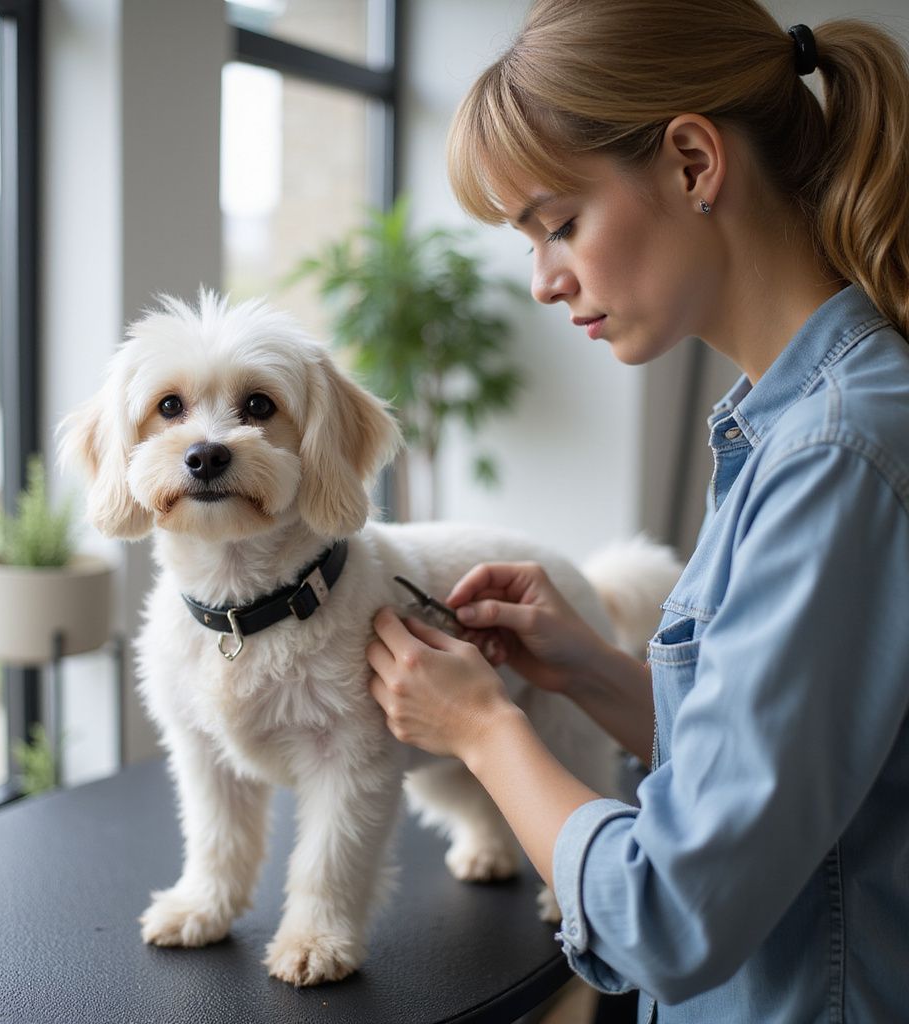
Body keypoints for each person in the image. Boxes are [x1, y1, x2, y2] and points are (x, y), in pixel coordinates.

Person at [366, 2, 909, 1021]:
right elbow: (795, 777)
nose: (542, 281)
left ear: (694, 163)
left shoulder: (835, 453)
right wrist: (591, 672)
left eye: (558, 224)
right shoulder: (794, 426)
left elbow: (670, 912)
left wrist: (480, 729)